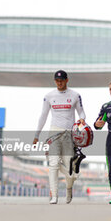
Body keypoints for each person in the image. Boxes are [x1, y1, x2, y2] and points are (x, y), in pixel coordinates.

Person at [33, 70, 86, 204]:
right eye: (57, 80)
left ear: (67, 80)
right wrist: (36, 135)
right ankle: (54, 195)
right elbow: (43, 116)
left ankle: (69, 189)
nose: (59, 82)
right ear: (54, 81)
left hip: (69, 134)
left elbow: (82, 113)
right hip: (54, 133)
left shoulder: (75, 95)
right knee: (53, 164)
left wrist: (82, 120)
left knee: (69, 168)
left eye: (62, 80)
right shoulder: (49, 96)